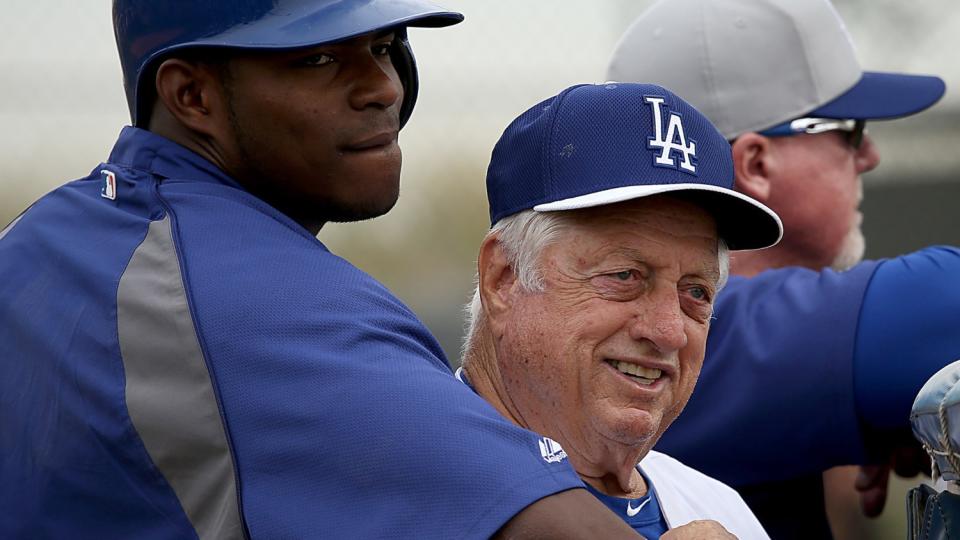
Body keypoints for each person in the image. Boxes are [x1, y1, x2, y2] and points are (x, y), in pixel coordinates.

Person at [0, 2, 653, 538]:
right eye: (317, 57)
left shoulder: (35, 241)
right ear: (191, 94)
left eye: (385, 44)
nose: (384, 86)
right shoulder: (263, 301)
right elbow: (555, 528)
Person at [606, 0, 956, 537]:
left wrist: (891, 407)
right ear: (757, 165)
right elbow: (943, 297)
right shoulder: (690, 331)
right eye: (851, 131)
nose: (869, 156)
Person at [460, 81, 784, 539]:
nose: (669, 331)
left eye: (696, 292)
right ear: (503, 278)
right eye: (625, 276)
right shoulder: (410, 493)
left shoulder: (719, 508)